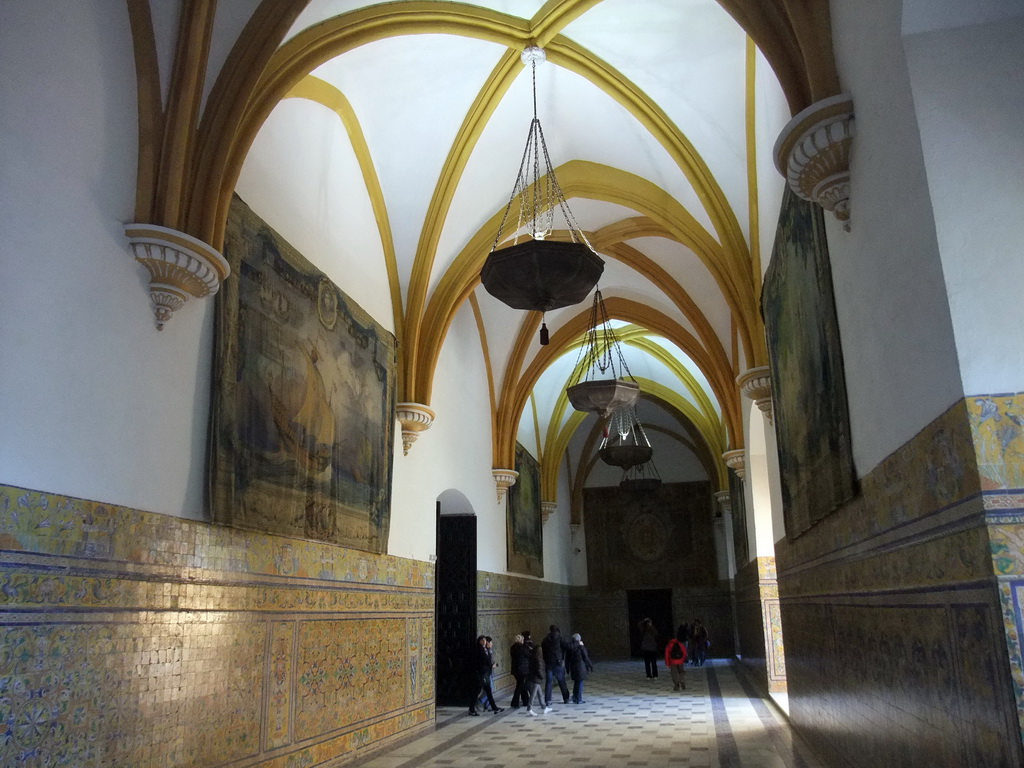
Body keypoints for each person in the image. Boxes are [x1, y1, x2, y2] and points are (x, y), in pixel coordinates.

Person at [468, 635, 502, 715]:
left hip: (485, 674)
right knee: (476, 692)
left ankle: (494, 708)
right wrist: (491, 665)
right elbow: (483, 661)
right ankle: (472, 709)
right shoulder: (478, 650)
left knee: (489, 692)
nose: (484, 642)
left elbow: (488, 660)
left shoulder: (485, 649)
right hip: (481, 674)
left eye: (485, 640)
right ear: (479, 641)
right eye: (482, 640)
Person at [541, 624, 571, 705]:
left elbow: (543, 652)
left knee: (548, 682)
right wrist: (577, 643)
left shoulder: (545, 640)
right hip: (558, 663)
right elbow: (567, 646)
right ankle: (566, 698)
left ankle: (548, 700)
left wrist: (546, 660)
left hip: (549, 664)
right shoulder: (559, 638)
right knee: (561, 681)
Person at [566, 632, 594, 704]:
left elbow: (567, 659)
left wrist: (567, 668)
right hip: (580, 667)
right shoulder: (581, 647)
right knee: (580, 683)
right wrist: (590, 666)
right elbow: (585, 657)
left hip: (573, 667)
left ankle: (575, 697)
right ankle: (579, 699)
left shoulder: (570, 647)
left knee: (576, 683)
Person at [525, 637, 549, 715]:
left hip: (534, 675)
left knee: (539, 693)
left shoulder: (532, 656)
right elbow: (539, 668)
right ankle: (529, 708)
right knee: (533, 693)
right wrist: (542, 676)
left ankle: (544, 707)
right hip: (536, 676)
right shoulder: (538, 659)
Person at [509, 632, 531, 709]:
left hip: (515, 669)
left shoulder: (513, 647)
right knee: (520, 685)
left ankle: (525, 700)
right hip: (523, 669)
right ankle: (514, 702)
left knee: (521, 684)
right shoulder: (523, 648)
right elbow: (528, 655)